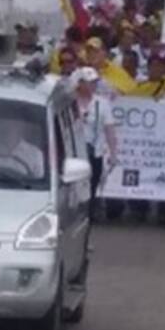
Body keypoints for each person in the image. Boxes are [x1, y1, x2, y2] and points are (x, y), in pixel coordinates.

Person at [73, 67, 118, 221]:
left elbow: (109, 129)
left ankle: (87, 216)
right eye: (89, 82)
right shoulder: (69, 100)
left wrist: (113, 153)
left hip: (94, 151)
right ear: (79, 83)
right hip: (73, 152)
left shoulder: (102, 103)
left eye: (94, 83)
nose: (93, 86)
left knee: (92, 186)